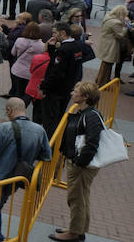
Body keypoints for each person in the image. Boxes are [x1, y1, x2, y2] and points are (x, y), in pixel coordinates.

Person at [0, 97, 51, 242]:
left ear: (9, 110)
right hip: (18, 176)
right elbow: (46, 155)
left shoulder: (2, 128)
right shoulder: (39, 130)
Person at [50, 82, 103, 241]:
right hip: (79, 162)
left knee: (76, 198)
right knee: (81, 197)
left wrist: (80, 162)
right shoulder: (84, 113)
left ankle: (73, 233)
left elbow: (92, 143)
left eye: (76, 91)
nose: (72, 93)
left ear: (85, 97)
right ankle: (78, 229)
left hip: (81, 165)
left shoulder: (91, 116)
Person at [40, 22, 84, 137]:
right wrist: (52, 48)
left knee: (50, 121)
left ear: (63, 33)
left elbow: (57, 72)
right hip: (67, 89)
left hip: (55, 91)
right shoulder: (77, 46)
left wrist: (44, 86)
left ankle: (49, 147)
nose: (53, 35)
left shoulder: (63, 50)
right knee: (59, 118)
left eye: (55, 33)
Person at [95, 5, 130, 86]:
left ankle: (99, 80)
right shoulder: (116, 22)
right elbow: (120, 35)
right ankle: (102, 83)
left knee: (104, 65)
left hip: (105, 43)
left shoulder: (108, 17)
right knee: (107, 66)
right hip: (111, 46)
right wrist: (126, 27)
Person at [9, 22, 46, 99]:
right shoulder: (42, 45)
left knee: (19, 91)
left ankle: (17, 106)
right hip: (31, 72)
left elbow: (13, 53)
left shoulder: (19, 40)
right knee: (27, 92)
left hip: (18, 70)